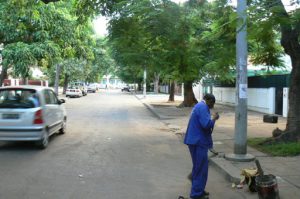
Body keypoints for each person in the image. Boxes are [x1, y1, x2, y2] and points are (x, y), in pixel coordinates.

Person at [184, 94, 219, 199]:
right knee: (201, 168)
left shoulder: (199, 106)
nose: (212, 106)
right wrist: (214, 119)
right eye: (212, 103)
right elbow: (206, 125)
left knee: (199, 166)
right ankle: (196, 194)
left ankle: (198, 186)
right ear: (208, 100)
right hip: (198, 142)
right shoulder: (203, 107)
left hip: (195, 141)